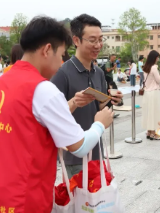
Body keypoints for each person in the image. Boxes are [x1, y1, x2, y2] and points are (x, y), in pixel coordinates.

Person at [0, 16, 117, 213]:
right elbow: (79, 147)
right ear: (47, 50)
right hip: (23, 199)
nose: (61, 63)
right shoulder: (42, 89)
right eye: (61, 55)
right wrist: (99, 124)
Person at [51, 14, 122, 178]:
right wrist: (74, 102)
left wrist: (110, 99)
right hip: (74, 157)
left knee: (98, 202)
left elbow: (99, 107)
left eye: (100, 39)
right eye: (92, 40)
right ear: (76, 40)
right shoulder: (62, 74)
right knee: (80, 203)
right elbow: (53, 117)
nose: (98, 45)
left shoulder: (98, 73)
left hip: (97, 151)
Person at [141, 50, 160, 140]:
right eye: (157, 57)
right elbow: (158, 80)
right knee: (154, 112)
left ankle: (149, 131)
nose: (158, 59)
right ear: (155, 58)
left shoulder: (145, 67)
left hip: (147, 92)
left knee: (148, 112)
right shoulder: (154, 68)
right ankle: (153, 132)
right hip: (154, 92)